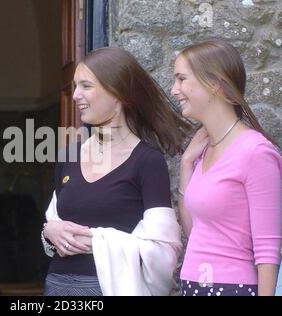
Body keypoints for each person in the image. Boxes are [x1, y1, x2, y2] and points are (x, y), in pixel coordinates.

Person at [41, 47, 191, 296]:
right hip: (56, 287)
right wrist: (48, 231)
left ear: (119, 94)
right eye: (75, 86)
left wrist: (96, 243)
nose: (76, 95)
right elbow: (53, 223)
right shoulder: (68, 155)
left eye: (86, 86)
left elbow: (163, 251)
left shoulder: (147, 161)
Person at [171, 39, 282, 296]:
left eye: (181, 79)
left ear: (214, 85)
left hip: (232, 288)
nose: (174, 89)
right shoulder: (204, 149)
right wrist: (187, 164)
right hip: (194, 286)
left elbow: (267, 250)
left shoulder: (255, 152)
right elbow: (195, 232)